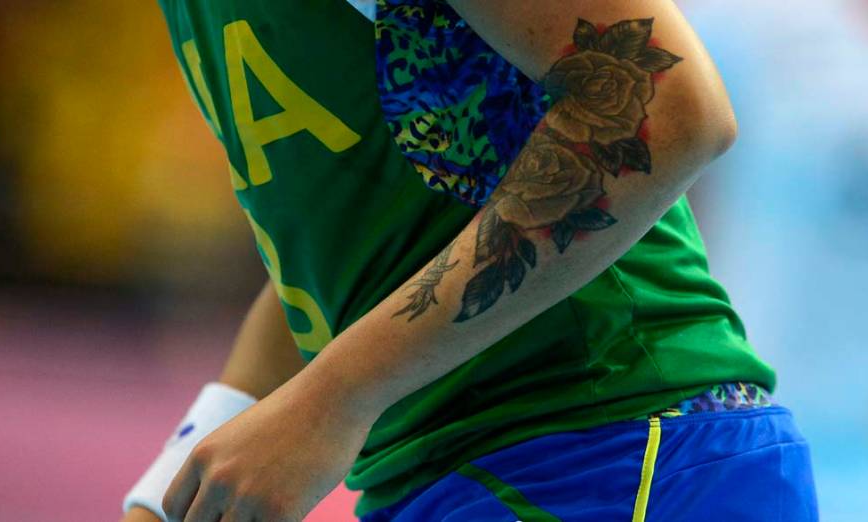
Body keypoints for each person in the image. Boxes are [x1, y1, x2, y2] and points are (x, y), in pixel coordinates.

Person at [122, 0, 819, 520]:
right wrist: (172, 489)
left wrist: (333, 398)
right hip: (478, 469)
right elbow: (364, 248)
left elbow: (664, 106)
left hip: (608, 444)